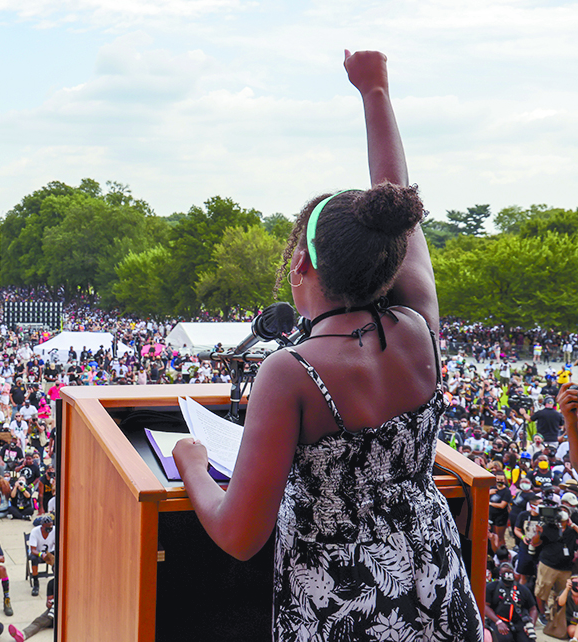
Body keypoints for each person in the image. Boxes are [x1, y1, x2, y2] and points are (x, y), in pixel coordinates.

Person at [171, 50, 483, 640]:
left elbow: (240, 536)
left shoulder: (291, 372)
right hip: (434, 578)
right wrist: (375, 92)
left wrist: (191, 465)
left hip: (342, 603)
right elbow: (397, 197)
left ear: (302, 265)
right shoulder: (419, 327)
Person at [486, 561, 538, 642]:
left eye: (509, 569)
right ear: (500, 573)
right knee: (504, 638)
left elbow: (533, 608)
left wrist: (531, 624)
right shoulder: (492, 587)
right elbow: (485, 606)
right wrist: (498, 622)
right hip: (499, 619)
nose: (507, 570)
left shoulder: (523, 589)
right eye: (504, 568)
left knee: (528, 639)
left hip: (519, 621)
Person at [27, 515, 55, 597]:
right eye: (48, 527)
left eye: (51, 526)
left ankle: (56, 577)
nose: (50, 528)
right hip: (38, 553)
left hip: (50, 552)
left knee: (58, 557)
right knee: (33, 559)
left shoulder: (55, 530)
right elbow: (33, 550)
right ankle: (36, 584)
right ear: (42, 526)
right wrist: (41, 554)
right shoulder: (35, 531)